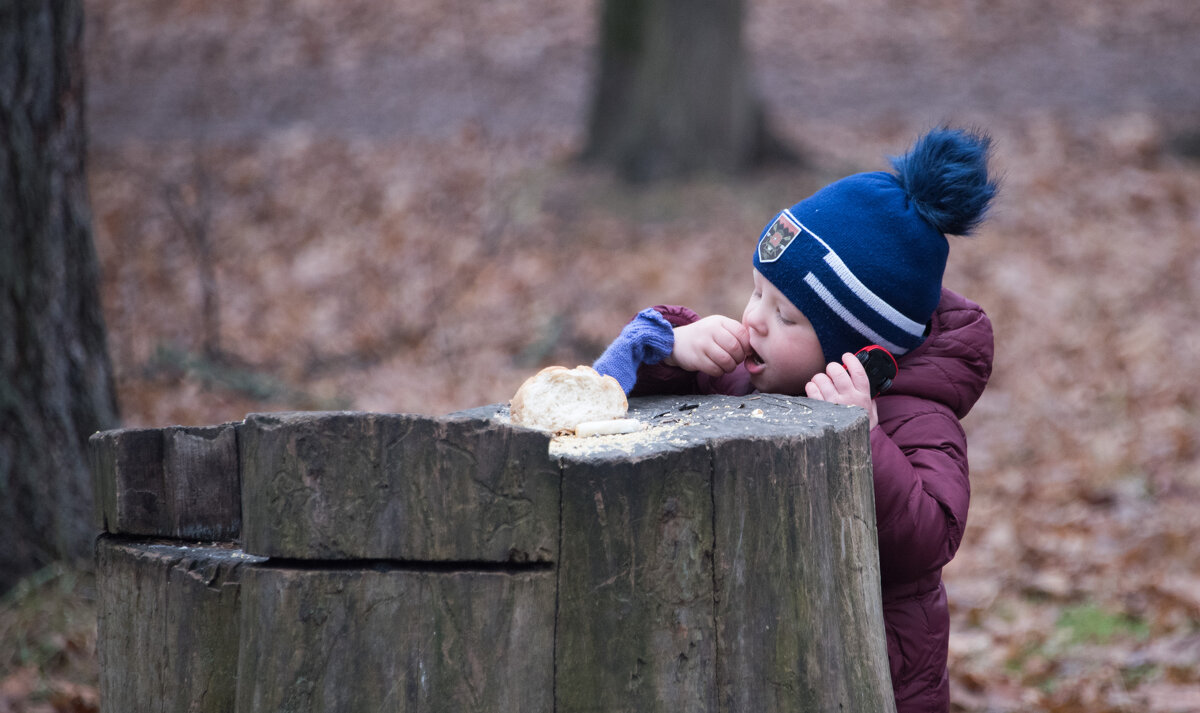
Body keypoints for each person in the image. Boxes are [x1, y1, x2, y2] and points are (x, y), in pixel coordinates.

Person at [592, 126, 998, 713]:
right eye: (757, 292)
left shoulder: (916, 419)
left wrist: (864, 438)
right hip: (756, 655)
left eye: (785, 316)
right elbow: (608, 398)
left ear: (858, 350)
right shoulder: (740, 376)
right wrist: (665, 346)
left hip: (868, 672)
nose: (753, 319)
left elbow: (931, 535)